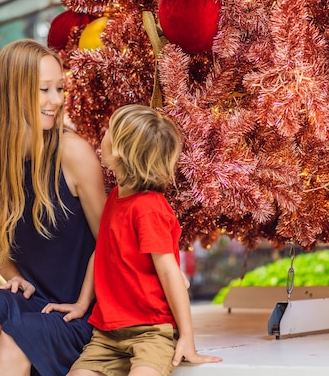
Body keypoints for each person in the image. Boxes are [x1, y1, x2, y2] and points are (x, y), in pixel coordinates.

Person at [0, 39, 107, 376]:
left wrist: (83, 302)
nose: (56, 100)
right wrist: (14, 278)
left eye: (59, 88)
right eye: (44, 90)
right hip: (35, 301)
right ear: (13, 93)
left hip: (80, 310)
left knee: (18, 338)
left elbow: (110, 242)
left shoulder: (74, 154)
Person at [66, 104, 223, 376]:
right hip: (108, 335)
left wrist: (187, 336)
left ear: (119, 151)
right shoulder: (116, 197)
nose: (102, 134)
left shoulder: (148, 209)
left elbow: (169, 272)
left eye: (108, 131)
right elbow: (100, 254)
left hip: (151, 331)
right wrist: (82, 304)